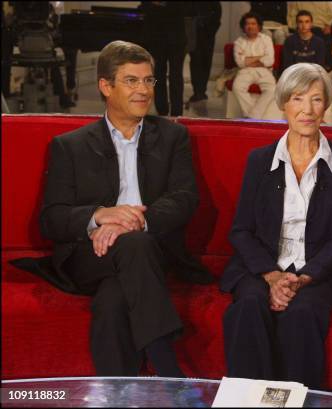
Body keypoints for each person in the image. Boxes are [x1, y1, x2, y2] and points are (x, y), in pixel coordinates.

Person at [15, 40, 213, 376]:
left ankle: (120, 394)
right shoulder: (70, 146)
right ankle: (169, 372)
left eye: (149, 80)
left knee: (113, 300)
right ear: (106, 86)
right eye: (132, 81)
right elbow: (51, 219)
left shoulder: (172, 137)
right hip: (90, 257)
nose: (144, 90)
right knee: (132, 249)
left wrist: (131, 222)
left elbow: (184, 199)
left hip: (148, 253)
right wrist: (99, 215)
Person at [221, 63, 332, 388]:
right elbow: (240, 230)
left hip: (316, 273)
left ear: (326, 105)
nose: (307, 110)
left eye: (315, 99)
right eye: (298, 99)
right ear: (284, 103)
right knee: (250, 306)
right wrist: (271, 276)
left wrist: (303, 277)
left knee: (301, 316)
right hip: (261, 268)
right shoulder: (259, 161)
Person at [140, 1, 186, 116]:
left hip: (176, 37)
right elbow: (144, 6)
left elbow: (185, 8)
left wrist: (162, 5)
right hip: (156, 37)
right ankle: (162, 110)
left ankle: (177, 112)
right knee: (158, 74)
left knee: (176, 75)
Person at [233, 12, 276, 119]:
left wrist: (248, 59)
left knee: (272, 89)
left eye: (253, 24)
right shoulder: (239, 42)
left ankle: (252, 116)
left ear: (259, 26)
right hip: (246, 71)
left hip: (264, 70)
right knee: (237, 87)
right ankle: (254, 117)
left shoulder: (266, 39)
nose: (250, 26)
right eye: (247, 24)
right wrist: (260, 57)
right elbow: (240, 63)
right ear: (243, 27)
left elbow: (270, 60)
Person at [186, 2, 221, 104]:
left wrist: (210, 29)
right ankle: (197, 91)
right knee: (196, 61)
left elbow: (217, 17)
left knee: (206, 61)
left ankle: (201, 91)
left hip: (208, 34)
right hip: (194, 34)